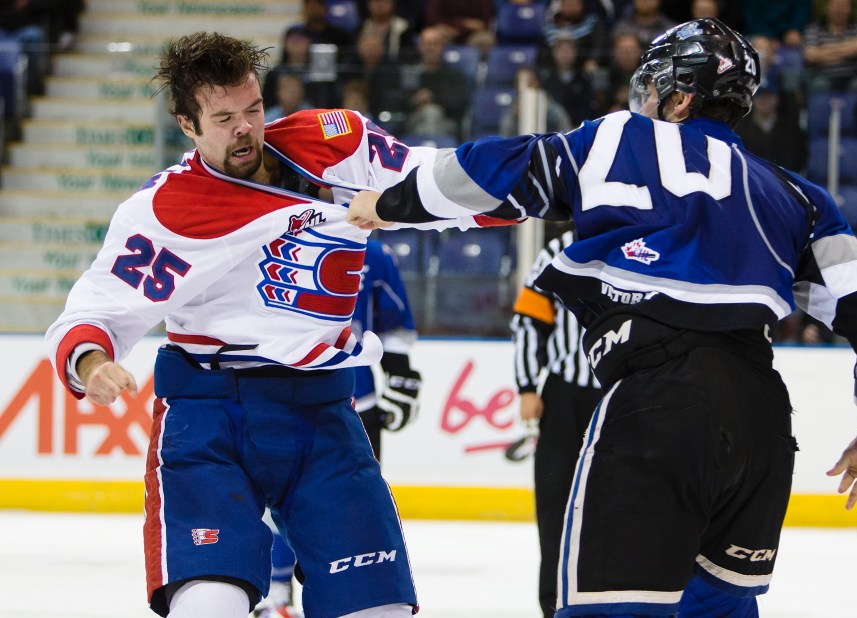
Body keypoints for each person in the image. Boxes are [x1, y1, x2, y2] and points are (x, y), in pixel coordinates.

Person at [347, 18, 857, 617]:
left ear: (679, 99)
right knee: (719, 611)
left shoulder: (618, 137)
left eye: (653, 87)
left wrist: (390, 203)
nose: (644, 99)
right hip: (761, 424)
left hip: (657, 403)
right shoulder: (799, 197)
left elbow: (495, 169)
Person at [44, 31, 498, 618]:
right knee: (209, 605)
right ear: (187, 125)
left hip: (321, 410)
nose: (244, 129)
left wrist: (535, 183)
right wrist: (92, 362)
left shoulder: (334, 142)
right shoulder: (164, 211)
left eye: (253, 109)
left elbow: (431, 182)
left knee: (378, 609)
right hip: (211, 414)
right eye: (223, 118)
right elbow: (93, 313)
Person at [256, 238, 422, 617]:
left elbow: (392, 323)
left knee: (347, 513)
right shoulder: (264, 236)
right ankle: (275, 589)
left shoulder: (372, 253)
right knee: (270, 500)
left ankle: (336, 598)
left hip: (354, 403)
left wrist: (400, 375)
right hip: (273, 397)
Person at [510, 227, 603, 618]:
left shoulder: (640, 246)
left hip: (625, 395)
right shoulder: (557, 251)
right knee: (555, 507)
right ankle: (555, 606)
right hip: (565, 397)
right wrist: (527, 386)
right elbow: (530, 321)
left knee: (625, 506)